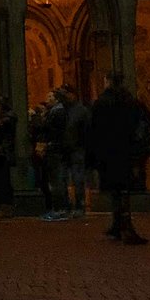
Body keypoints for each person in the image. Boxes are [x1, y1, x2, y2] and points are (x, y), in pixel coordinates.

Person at [87, 72, 150, 245]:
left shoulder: (102, 103)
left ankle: (122, 226)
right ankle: (122, 225)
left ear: (107, 82)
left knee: (117, 190)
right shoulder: (130, 102)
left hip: (109, 153)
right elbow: (142, 124)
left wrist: (93, 155)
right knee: (124, 190)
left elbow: (94, 130)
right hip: (127, 152)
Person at [58, 84, 90, 216]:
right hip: (66, 148)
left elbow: (87, 130)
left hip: (77, 148)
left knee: (77, 178)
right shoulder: (63, 110)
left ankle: (79, 205)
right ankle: (67, 205)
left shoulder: (80, 111)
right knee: (63, 178)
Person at [40, 89, 69, 220]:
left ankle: (60, 209)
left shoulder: (58, 112)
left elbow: (50, 129)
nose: (47, 98)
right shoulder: (55, 111)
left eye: (50, 96)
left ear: (56, 99)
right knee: (55, 179)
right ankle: (59, 208)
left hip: (55, 148)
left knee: (56, 179)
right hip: (55, 148)